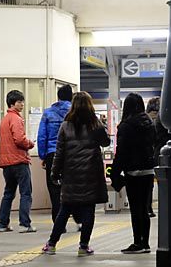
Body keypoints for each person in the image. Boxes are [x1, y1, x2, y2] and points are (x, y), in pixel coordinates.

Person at [42, 92, 110, 257]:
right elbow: (106, 142)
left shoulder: (65, 126)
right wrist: (103, 124)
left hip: (70, 173)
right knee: (88, 210)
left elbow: (59, 152)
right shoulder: (95, 125)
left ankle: (51, 244)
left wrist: (54, 172)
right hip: (91, 174)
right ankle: (83, 246)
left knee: (65, 209)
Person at [112, 93, 155, 254]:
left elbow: (121, 152)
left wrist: (115, 173)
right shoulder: (149, 123)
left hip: (133, 172)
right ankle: (146, 243)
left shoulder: (126, 126)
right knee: (144, 208)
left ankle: (138, 242)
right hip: (148, 171)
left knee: (136, 209)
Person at [38, 85, 80, 229]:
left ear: (58, 96)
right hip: (72, 154)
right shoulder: (75, 112)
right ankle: (78, 219)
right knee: (73, 187)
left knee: (54, 188)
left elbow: (42, 135)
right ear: (71, 97)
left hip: (52, 153)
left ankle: (58, 223)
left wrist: (43, 155)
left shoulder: (48, 113)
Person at [0, 90, 37, 233]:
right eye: (19, 102)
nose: (22, 104)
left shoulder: (4, 119)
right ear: (12, 103)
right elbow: (19, 139)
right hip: (19, 160)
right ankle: (25, 224)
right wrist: (31, 143)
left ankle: (3, 223)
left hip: (6, 162)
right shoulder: (16, 118)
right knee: (26, 193)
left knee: (8, 193)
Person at [146, 97, 161, 218]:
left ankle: (148, 207)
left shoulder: (146, 119)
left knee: (148, 184)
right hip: (159, 153)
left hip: (150, 155)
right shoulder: (164, 118)